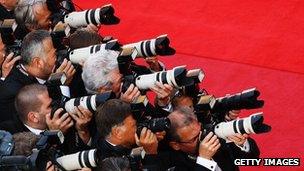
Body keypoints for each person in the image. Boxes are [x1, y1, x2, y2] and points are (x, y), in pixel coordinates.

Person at [0, 30, 75, 123]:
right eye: (54, 55)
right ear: (38, 62)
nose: (57, 58)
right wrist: (62, 84)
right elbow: (58, 120)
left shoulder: (38, 73)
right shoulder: (15, 93)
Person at [163, 107, 260, 171]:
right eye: (194, 139)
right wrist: (204, 160)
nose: (202, 138)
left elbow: (253, 158)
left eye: (200, 131)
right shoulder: (173, 164)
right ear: (175, 145)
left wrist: (242, 144)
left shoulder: (211, 135)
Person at [13, 84, 92, 153]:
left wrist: (82, 130)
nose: (57, 107)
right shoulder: (18, 144)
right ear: (34, 117)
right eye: (50, 106)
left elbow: (81, 155)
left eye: (55, 102)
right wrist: (54, 136)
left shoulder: (63, 121)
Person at [94, 99, 162, 170]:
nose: (138, 127)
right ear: (118, 132)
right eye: (134, 125)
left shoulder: (111, 133)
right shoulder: (110, 164)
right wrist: (151, 154)